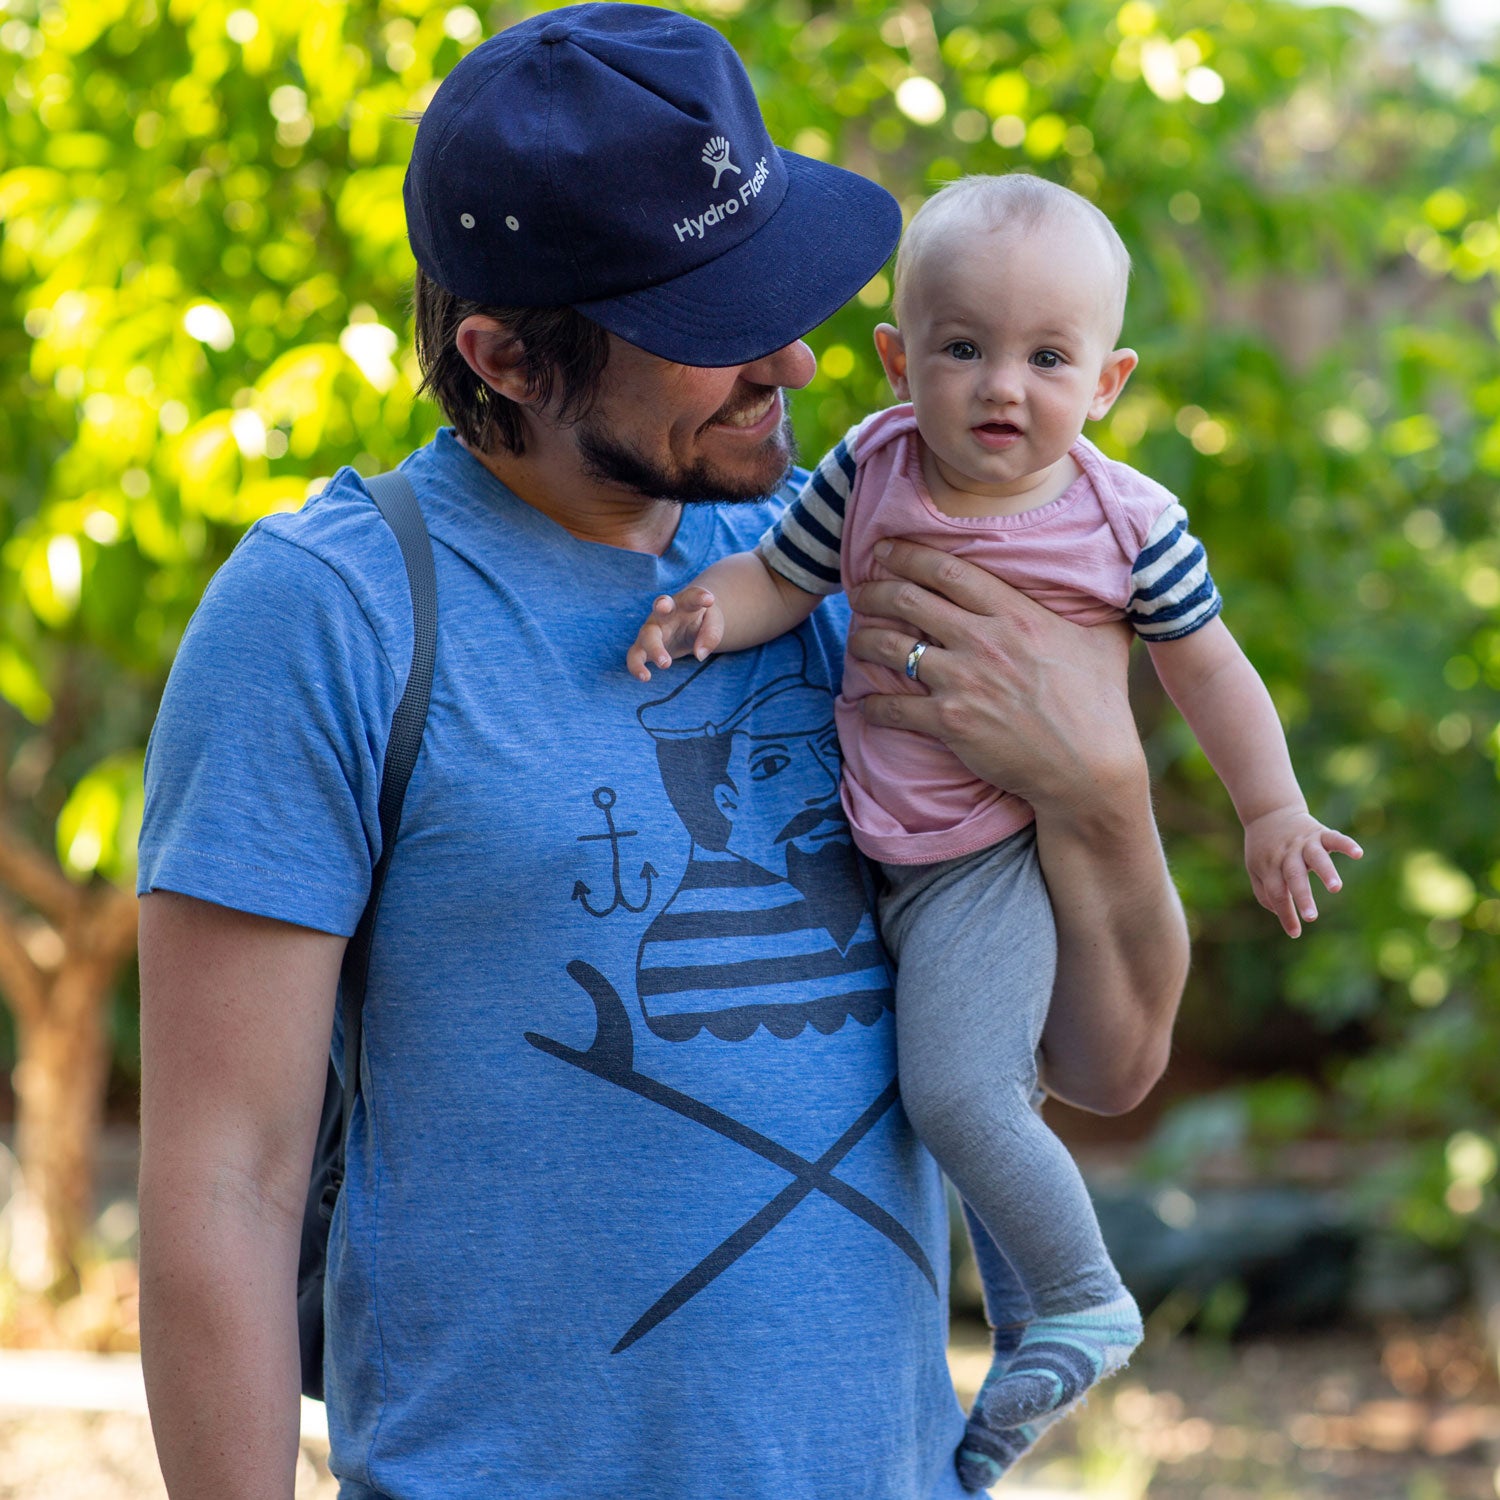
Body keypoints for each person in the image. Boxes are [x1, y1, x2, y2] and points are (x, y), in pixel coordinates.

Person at [135, 11, 1190, 1500]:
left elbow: (1103, 1062)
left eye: (778, 288)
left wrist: (1099, 793)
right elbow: (223, 1184)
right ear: (504, 356)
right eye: (711, 330)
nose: (796, 356)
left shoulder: (853, 552)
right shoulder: (337, 613)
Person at [626, 172, 1363, 1487]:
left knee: (960, 1092)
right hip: (873, 847)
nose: (1001, 388)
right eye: (963, 350)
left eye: (1047, 358)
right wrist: (704, 613)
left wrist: (1272, 807)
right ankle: (1024, 1342)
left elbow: (1209, 670)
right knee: (967, 1103)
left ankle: (1084, 1296)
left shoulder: (1126, 523)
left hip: (992, 860)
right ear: (902, 362)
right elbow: (780, 585)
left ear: (1110, 382)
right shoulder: (868, 464)